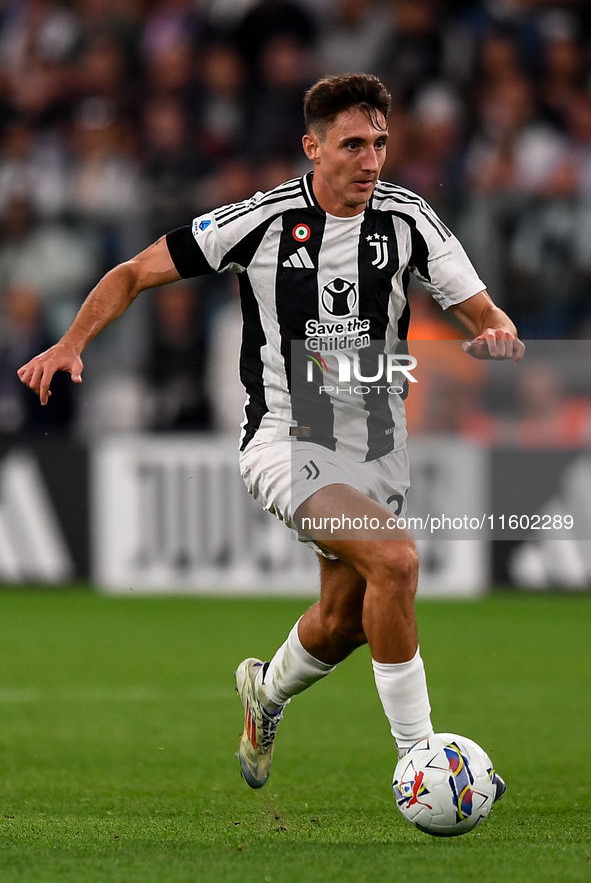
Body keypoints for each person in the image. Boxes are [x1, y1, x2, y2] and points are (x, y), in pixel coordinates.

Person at [17, 73, 523, 794]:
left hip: (377, 449)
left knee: (344, 619)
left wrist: (496, 334)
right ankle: (420, 757)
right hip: (286, 440)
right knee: (396, 560)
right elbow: (134, 271)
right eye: (352, 145)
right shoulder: (259, 221)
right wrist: (72, 342)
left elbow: (480, 308)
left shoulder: (409, 219)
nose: (370, 160)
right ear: (311, 147)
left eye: (380, 143)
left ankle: (266, 691)